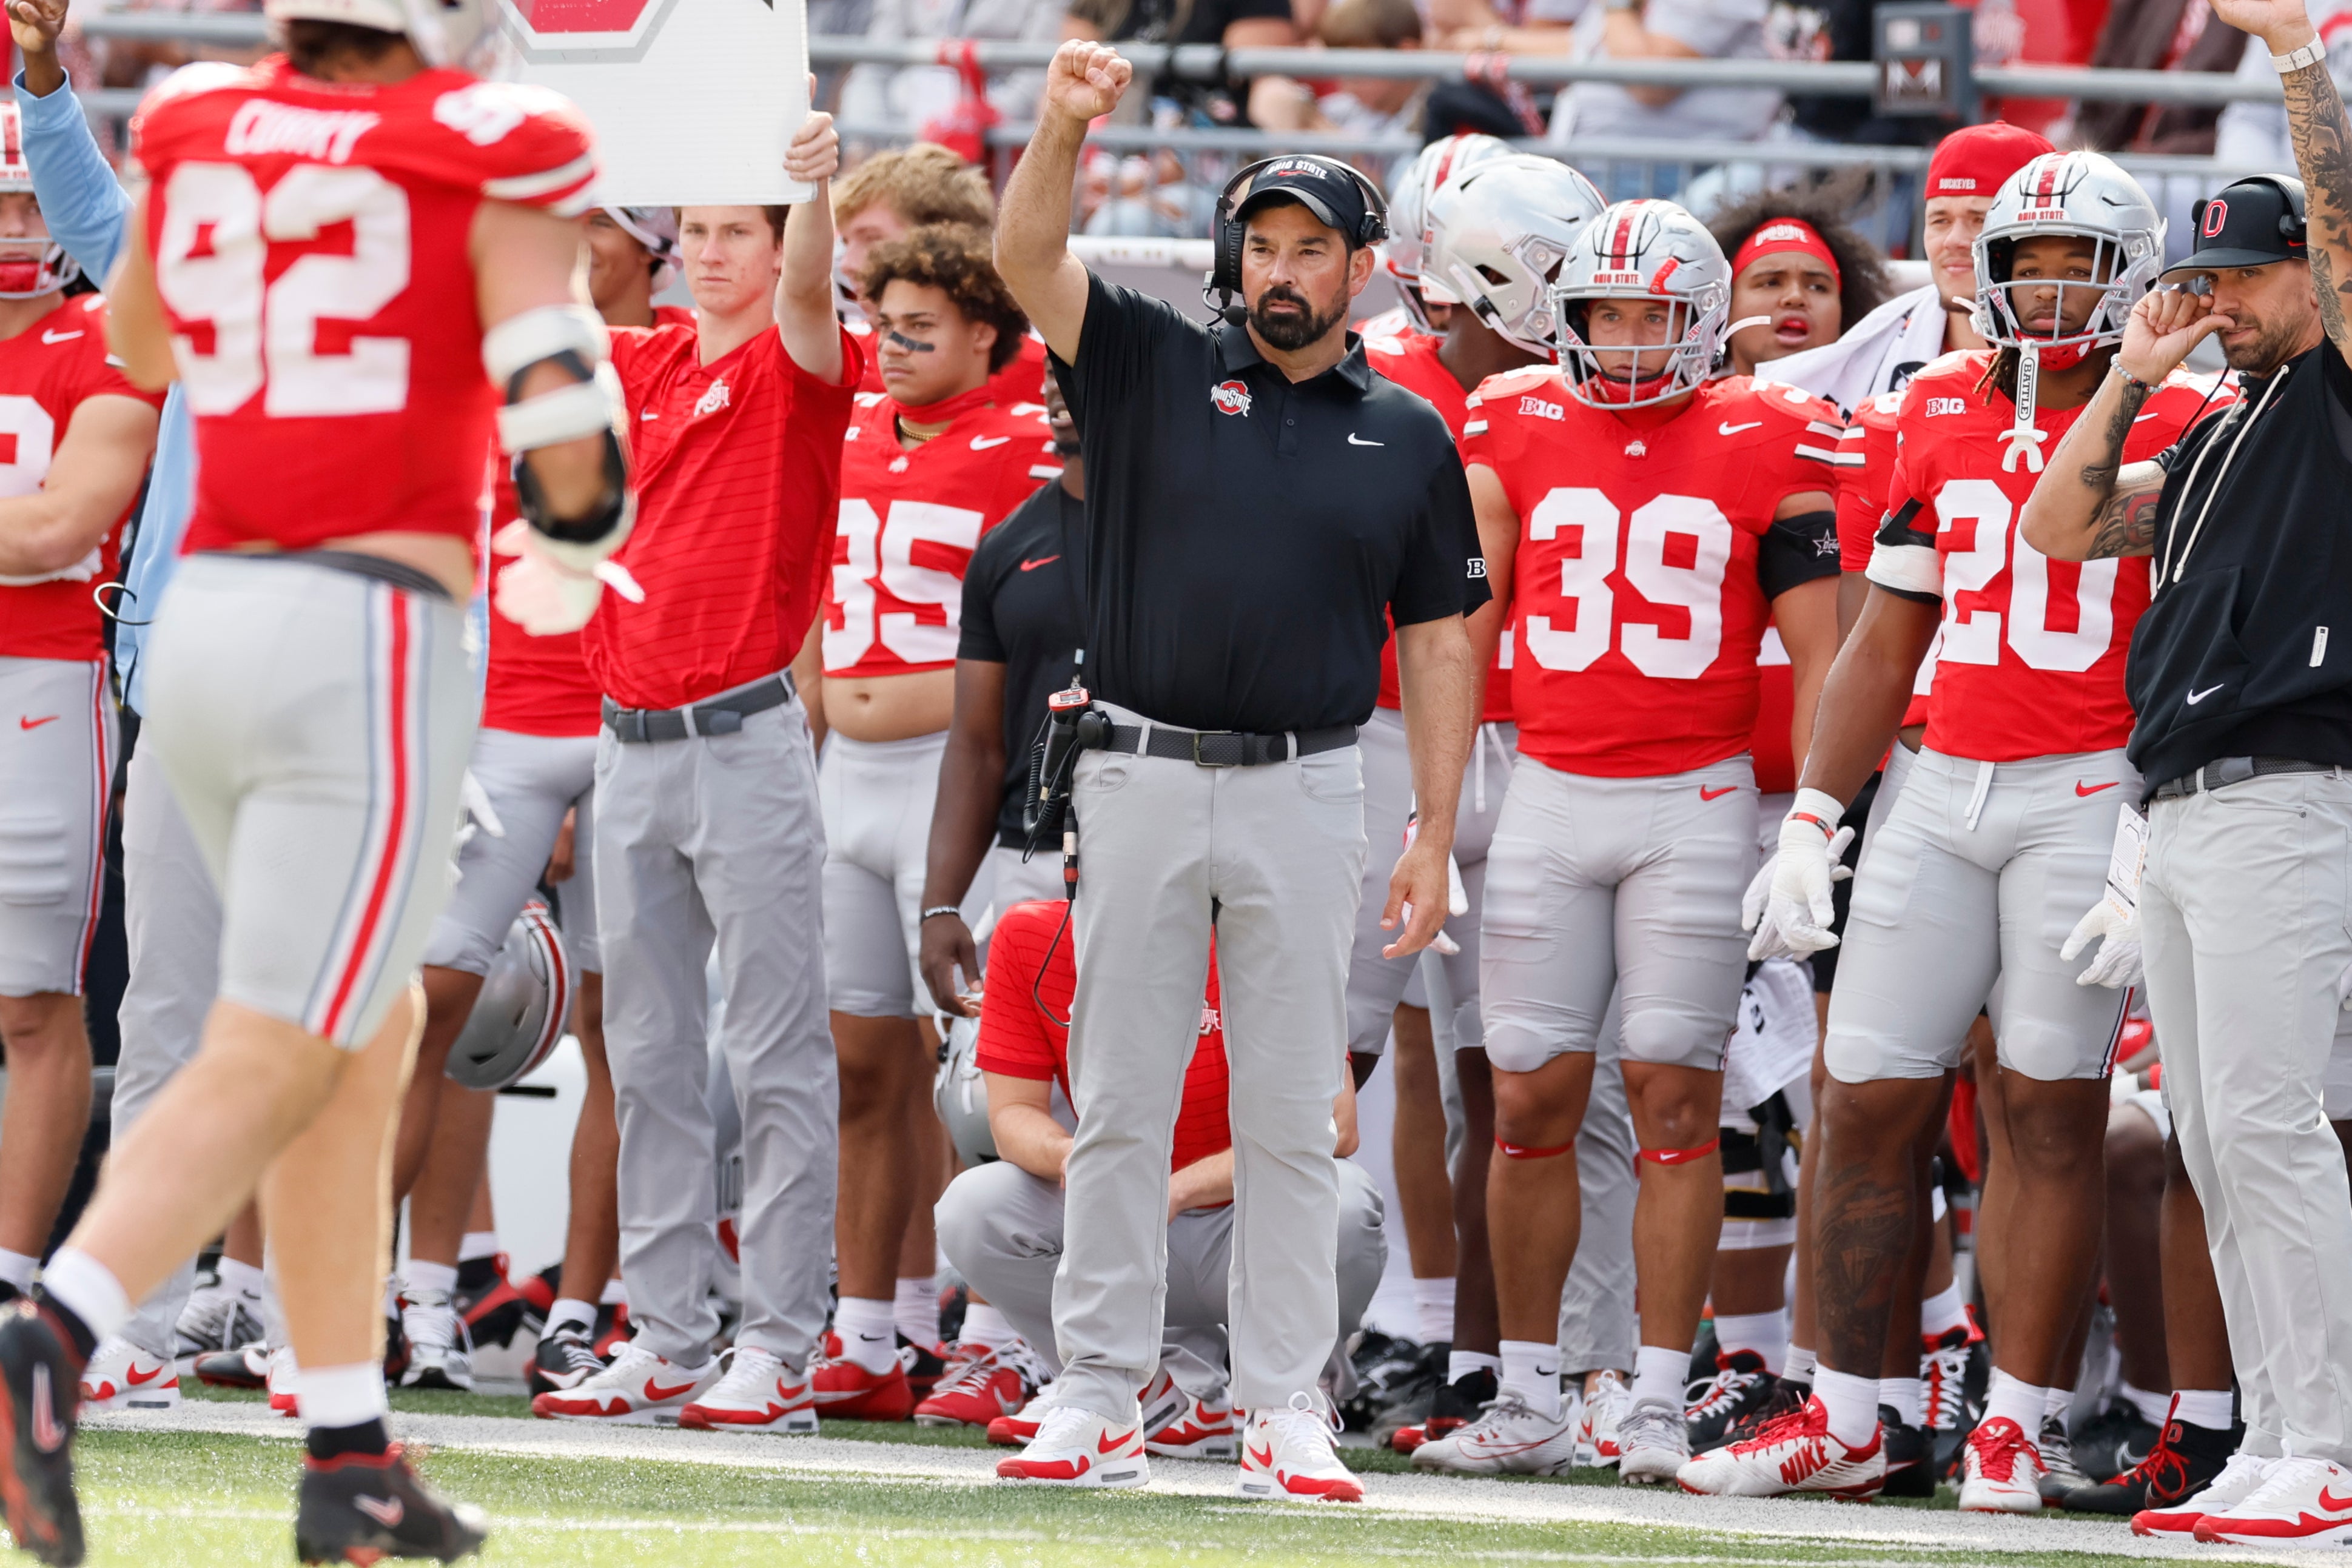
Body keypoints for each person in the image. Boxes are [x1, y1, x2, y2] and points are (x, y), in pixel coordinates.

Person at [0, 4, 620, 1563]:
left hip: (192, 622)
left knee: (366, 1030)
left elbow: (126, 391)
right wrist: (580, 519)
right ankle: (47, 1336)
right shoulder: (491, 146)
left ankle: (347, 1446)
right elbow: (568, 443)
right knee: (284, 1038)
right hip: (367, 627)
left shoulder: (202, 127)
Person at [993, 39, 1488, 1500]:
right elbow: (1026, 253)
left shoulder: (1408, 433)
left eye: (1311, 248)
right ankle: (1096, 1386)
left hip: (1309, 775)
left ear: (1360, 270)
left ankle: (1284, 1400)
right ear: (1229, 256)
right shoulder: (1143, 357)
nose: (1283, 269)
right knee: (1121, 1089)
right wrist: (1063, 122)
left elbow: (1445, 635)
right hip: (1137, 766)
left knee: (1285, 1102)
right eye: (1261, 243)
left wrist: (1437, 825)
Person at [1699, 152, 2217, 1510]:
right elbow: (1886, 634)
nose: (2043, 285)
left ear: (2129, 272)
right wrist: (1815, 813)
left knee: (2048, 1108)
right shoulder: (1928, 402)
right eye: (2023, 257)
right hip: (1938, 776)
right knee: (1863, 1097)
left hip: (2092, 777)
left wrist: (2148, 822)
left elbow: (2197, 641)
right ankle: (1849, 1410)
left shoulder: (2196, 412)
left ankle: (2020, 1421)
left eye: (2071, 259)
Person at [1408, 196, 1841, 1486]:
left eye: (1654, 313)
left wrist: (1811, 821)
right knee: (1530, 1096)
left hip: (1696, 800)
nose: (1630, 336)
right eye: (1606, 312)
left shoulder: (1771, 431)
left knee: (1673, 1098)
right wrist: (1436, 822)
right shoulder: (1513, 416)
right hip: (1544, 785)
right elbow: (1460, 631)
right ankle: (1528, 1388)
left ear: (1702, 318)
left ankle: (1655, 1392)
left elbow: (1822, 649)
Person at [2020, 6, 2352, 1527]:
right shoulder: (2217, 426)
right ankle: (2286, 1440)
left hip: (2296, 779)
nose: (2215, 303)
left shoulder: (2338, 381)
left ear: (2308, 269)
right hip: (2188, 798)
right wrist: (2128, 375)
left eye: (2241, 278)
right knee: (2218, 1134)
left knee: (2273, 1121)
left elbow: (2344, 253)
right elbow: (2060, 528)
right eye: (2199, 278)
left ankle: (2329, 1450)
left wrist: (2295, 60)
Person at [529, 112, 862, 1435]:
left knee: (774, 1053)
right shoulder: (643, 360)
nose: (712, 253)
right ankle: (666, 1335)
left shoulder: (796, 361)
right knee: (653, 1052)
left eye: (741, 233)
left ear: (780, 252)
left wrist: (813, 192)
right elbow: (549, 307)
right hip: (628, 742)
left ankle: (777, 1342)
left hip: (745, 737)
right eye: (702, 231)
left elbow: (804, 290)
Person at [5, 0, 279, 1409]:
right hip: (189, 668)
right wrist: (47, 77)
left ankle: (302, 1311)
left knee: (319, 1004)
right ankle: (148, 1312)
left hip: (340, 674)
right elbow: (85, 206)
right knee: (169, 1003)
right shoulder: (178, 287)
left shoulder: (419, 291)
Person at [397, 204, 696, 1399]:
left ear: (647, 245)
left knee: (631, 1038)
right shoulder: (492, 360)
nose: (570, 240)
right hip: (502, 725)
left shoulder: (680, 355)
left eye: (598, 224)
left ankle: (582, 1310)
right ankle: (413, 1299)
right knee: (428, 1012)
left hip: (628, 724)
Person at [1357, 152, 1607, 1455]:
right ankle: (1386, 1320)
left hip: (1543, 741)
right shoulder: (1385, 382)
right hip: (1396, 735)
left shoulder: (1590, 384)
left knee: (1507, 1069)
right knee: (1371, 1045)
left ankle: (1480, 1350)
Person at [797, 223, 1053, 1419]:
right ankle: (868, 1328)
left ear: (988, 339)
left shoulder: (1018, 439)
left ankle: (997, 1330)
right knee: (861, 1065)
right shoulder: (847, 424)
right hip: (846, 773)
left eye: (921, 331)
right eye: (883, 326)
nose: (891, 350)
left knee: (981, 1077)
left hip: (956, 785)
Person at [938, 900, 1386, 1464]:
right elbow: (1012, 1117)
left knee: (1345, 1202)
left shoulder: (1277, 921)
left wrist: (1177, 1188)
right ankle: (1130, 1387)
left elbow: (1335, 1124)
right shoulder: (1035, 933)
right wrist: (1085, 1161)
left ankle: (1290, 1395)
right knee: (975, 1207)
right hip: (1126, 1214)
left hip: (1247, 1212)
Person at [0, 99, 163, 1322]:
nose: (16, 225)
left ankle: (11, 1275)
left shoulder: (103, 338)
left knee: (33, 997)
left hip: (44, 682)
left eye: (26, 200)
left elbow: (60, 528)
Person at [918, 366, 1084, 1017]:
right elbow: (977, 743)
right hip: (1033, 859)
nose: (1053, 389)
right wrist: (942, 902)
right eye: (1049, 372)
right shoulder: (1007, 546)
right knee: (1011, 1108)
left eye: (1075, 368)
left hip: (1168, 858)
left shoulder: (1196, 527)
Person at [1766, 122, 2055, 415]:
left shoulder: (2094, 354)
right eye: (1940, 220)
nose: (1953, 241)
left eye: (1980, 220)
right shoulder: (1874, 344)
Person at [831, 145, 1047, 406]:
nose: (847, 264)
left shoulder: (1050, 377)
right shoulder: (835, 360)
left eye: (872, 240)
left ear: (947, 244)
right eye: (846, 242)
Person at [1705, 195, 1892, 380]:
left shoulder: (1877, 408)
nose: (1795, 297)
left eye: (1817, 287)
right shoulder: (1686, 407)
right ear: (1724, 306)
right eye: (1771, 283)